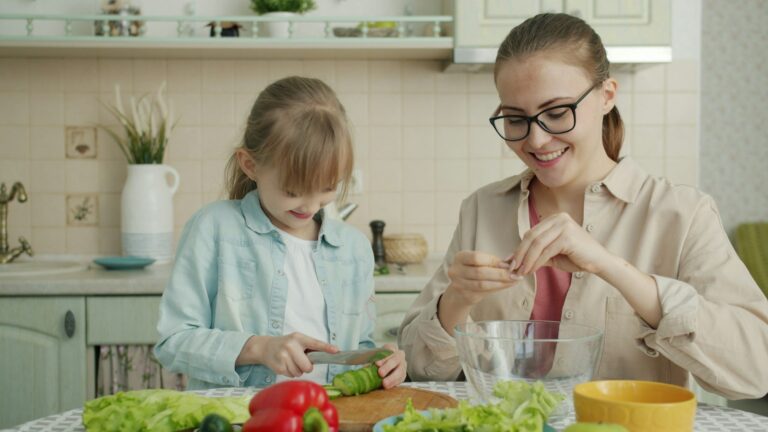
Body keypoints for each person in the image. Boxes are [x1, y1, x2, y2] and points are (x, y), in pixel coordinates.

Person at [398, 13, 768, 399]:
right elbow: (417, 368)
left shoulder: (682, 213)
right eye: (515, 119)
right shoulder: (482, 208)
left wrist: (610, 267)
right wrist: (457, 299)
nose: (537, 140)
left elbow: (755, 371)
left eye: (557, 113)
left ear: (607, 95)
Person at [155, 76, 406, 390]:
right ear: (250, 165)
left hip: (330, 417)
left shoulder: (353, 248)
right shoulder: (213, 229)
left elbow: (358, 345)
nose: (311, 205)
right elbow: (173, 342)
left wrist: (382, 359)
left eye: (328, 188)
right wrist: (258, 348)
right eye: (293, 190)